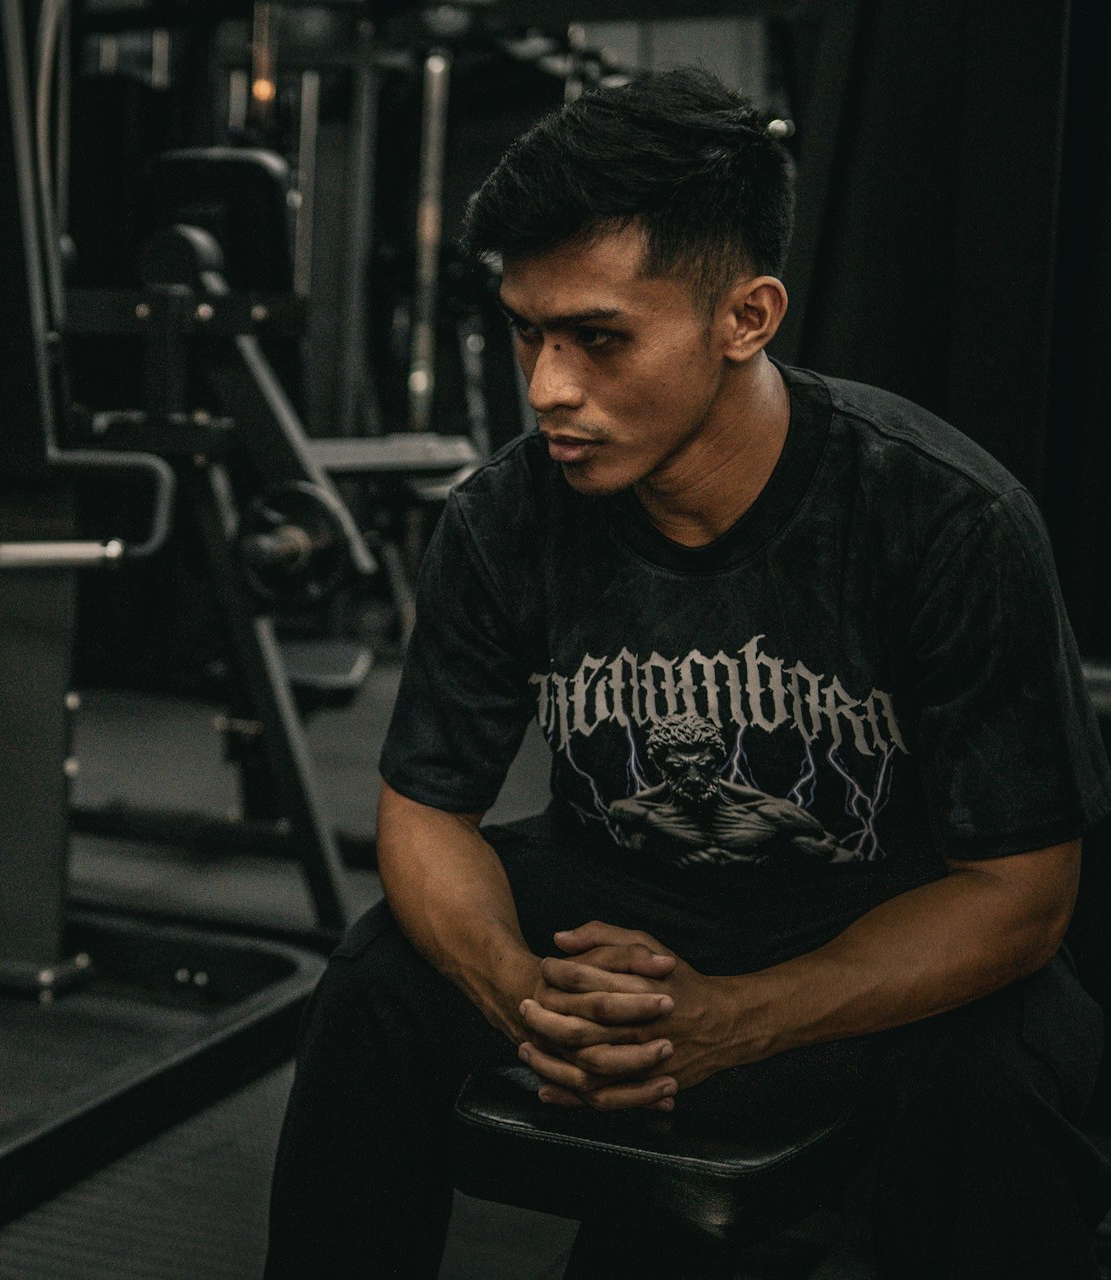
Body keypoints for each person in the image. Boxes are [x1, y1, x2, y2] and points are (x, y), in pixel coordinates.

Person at [264, 68, 1111, 1279]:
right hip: (620, 899)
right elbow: (423, 813)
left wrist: (740, 1016)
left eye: (600, 338)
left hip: (874, 918)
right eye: (527, 332)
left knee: (995, 1065)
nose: (550, 385)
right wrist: (523, 995)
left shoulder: (944, 518)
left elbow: (1023, 891)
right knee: (379, 980)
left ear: (747, 317)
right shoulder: (504, 517)